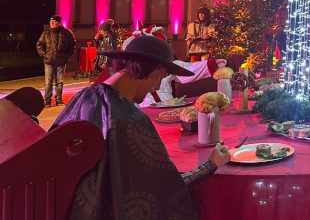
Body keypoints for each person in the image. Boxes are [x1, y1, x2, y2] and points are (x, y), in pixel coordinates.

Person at [52, 34, 231, 219]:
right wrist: (210, 165)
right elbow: (162, 186)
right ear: (155, 69)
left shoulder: (84, 97)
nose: (155, 87)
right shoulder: (130, 119)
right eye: (160, 77)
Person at [36, 15, 76, 108]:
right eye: (51, 22)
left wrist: (66, 56)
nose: (53, 24)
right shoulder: (46, 33)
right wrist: (44, 55)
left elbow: (72, 45)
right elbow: (39, 45)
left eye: (55, 22)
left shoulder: (66, 33)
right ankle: (47, 101)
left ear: (59, 23)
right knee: (48, 82)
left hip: (61, 61)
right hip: (49, 61)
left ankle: (59, 100)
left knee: (59, 82)